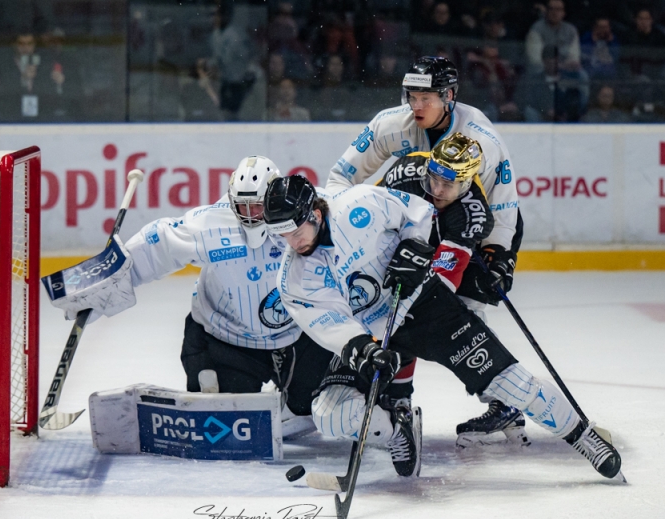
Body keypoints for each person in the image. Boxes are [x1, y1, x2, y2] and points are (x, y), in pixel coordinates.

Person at [263, 173, 623, 480]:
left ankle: (583, 437)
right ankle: (397, 428)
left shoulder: (360, 204)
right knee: (330, 415)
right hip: (374, 333)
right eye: (282, 236)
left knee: (512, 384)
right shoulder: (293, 278)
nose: (293, 242)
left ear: (314, 211)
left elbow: (417, 213)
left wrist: (414, 247)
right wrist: (362, 348)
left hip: (424, 304)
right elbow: (328, 322)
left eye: (296, 230)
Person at [326, 55, 524, 444]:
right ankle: (397, 397)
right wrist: (343, 226)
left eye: (426, 97)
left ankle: (505, 400)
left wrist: (498, 253)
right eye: (411, 96)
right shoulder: (389, 124)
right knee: (392, 306)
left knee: (459, 317)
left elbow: (502, 204)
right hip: (412, 225)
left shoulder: (481, 139)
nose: (416, 106)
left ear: (449, 96)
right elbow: (340, 177)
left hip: (471, 225)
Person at [49, 156, 333, 421]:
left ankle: (294, 396)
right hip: (226, 340)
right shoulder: (209, 226)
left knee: (309, 408)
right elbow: (154, 248)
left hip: (296, 335)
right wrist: (99, 284)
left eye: (257, 207)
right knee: (222, 418)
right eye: (242, 207)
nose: (250, 216)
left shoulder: (296, 217)